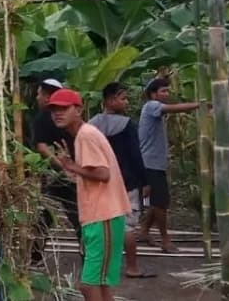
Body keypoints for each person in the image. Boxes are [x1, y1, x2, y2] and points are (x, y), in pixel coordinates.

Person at [49, 88, 131, 301]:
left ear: (78, 109)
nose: (58, 113)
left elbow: (103, 174)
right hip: (98, 216)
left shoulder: (86, 135)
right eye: (54, 109)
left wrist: (73, 166)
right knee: (100, 285)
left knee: (89, 284)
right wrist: (70, 169)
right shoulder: (84, 135)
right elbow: (93, 175)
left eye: (64, 108)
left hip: (103, 215)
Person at [88, 82, 154, 279]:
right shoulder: (126, 125)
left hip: (98, 181)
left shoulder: (90, 125)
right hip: (126, 182)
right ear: (110, 100)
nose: (126, 101)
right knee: (127, 226)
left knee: (101, 224)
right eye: (123, 97)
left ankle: (101, 267)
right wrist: (145, 181)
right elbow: (135, 155)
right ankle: (132, 266)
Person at [137, 78, 199, 253]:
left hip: (154, 163)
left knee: (156, 202)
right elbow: (173, 109)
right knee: (160, 204)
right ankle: (165, 240)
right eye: (163, 91)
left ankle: (144, 231)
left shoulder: (154, 109)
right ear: (153, 94)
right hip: (150, 164)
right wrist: (199, 105)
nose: (166, 94)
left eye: (167, 91)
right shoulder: (151, 106)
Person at [31, 78, 82, 263]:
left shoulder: (43, 117)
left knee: (45, 215)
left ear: (47, 96)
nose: (37, 98)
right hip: (70, 171)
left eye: (39, 93)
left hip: (54, 174)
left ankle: (34, 256)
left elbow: (42, 147)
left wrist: (61, 166)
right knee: (75, 214)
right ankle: (88, 254)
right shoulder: (71, 118)